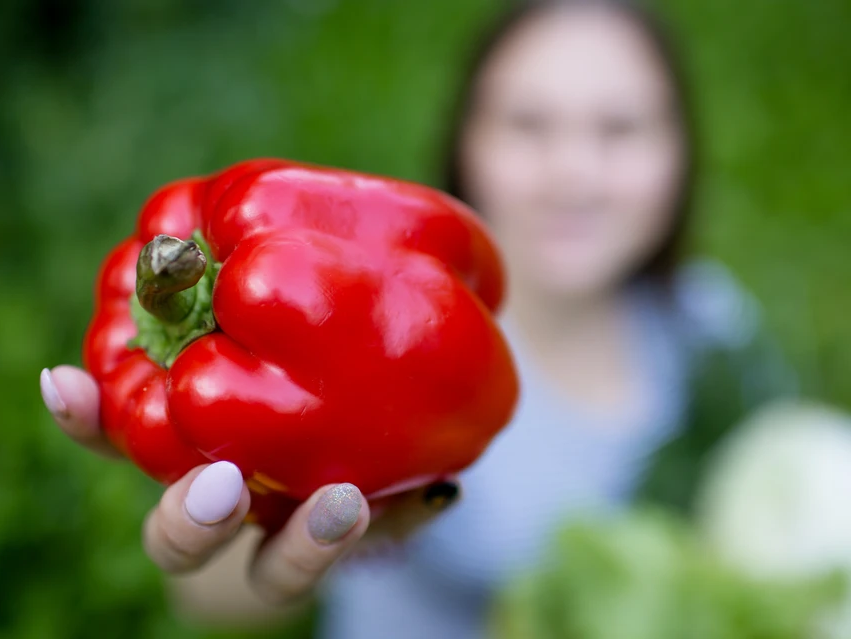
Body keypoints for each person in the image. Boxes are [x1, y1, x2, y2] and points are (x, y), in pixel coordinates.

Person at [40, 1, 792, 636]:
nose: (574, 169)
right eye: (529, 124)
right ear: (468, 142)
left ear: (681, 153)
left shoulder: (710, 322)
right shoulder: (311, 343)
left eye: (621, 129)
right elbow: (216, 592)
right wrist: (226, 539)